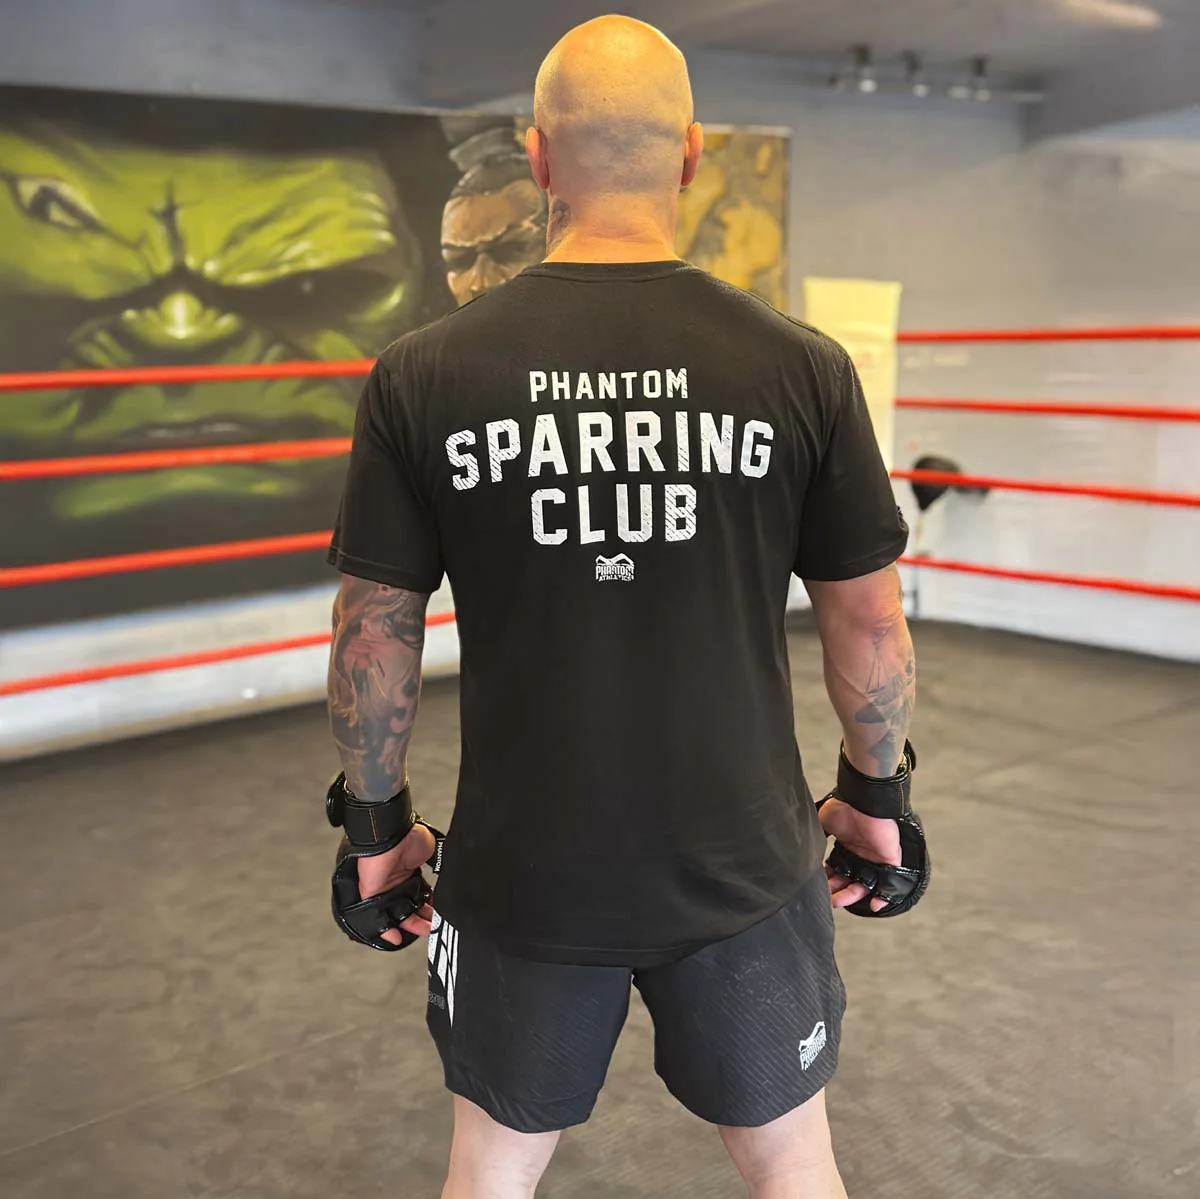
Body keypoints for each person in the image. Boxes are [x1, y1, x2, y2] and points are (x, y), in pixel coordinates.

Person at [325, 15, 921, 1198]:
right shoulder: (800, 367)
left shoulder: (424, 373)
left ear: (538, 157)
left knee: (489, 1172)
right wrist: (875, 799)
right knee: (793, 1165)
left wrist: (376, 829)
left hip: (524, 875)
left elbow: (373, 632)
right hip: (745, 867)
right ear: (692, 154)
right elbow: (868, 623)